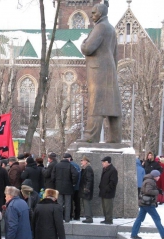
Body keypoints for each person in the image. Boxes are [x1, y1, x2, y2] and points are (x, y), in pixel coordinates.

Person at [79, 3, 122, 143]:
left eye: (93, 13)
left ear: (101, 13)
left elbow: (88, 48)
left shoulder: (100, 27)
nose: (91, 16)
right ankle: (116, 138)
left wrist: (83, 43)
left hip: (98, 72)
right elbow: (115, 53)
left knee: (96, 102)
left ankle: (91, 136)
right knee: (113, 105)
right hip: (110, 70)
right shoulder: (110, 28)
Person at [131, 170, 164, 239]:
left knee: (139, 219)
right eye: (158, 176)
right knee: (157, 219)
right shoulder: (150, 181)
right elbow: (148, 191)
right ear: (155, 176)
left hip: (144, 203)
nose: (159, 177)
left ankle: (133, 234)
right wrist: (158, 191)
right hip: (148, 204)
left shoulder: (148, 180)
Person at [51, 153, 79, 223]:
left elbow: (53, 176)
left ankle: (60, 219)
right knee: (68, 204)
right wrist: (73, 183)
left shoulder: (57, 165)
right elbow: (75, 174)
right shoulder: (70, 166)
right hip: (68, 187)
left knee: (59, 203)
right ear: (69, 159)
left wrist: (55, 183)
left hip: (59, 187)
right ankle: (67, 219)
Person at [99, 156, 118, 224]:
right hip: (103, 191)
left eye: (104, 162)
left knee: (108, 207)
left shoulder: (113, 170)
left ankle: (109, 219)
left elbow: (113, 182)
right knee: (104, 207)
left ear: (107, 162)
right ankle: (106, 218)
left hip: (108, 192)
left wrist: (107, 189)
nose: (102, 163)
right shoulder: (105, 169)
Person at [79, 156, 94, 223]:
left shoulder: (88, 169)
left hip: (85, 189)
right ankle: (88, 217)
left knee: (86, 203)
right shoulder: (85, 168)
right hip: (84, 189)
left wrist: (86, 189)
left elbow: (89, 180)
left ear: (86, 161)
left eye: (82, 160)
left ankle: (89, 218)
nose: (81, 162)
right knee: (85, 203)